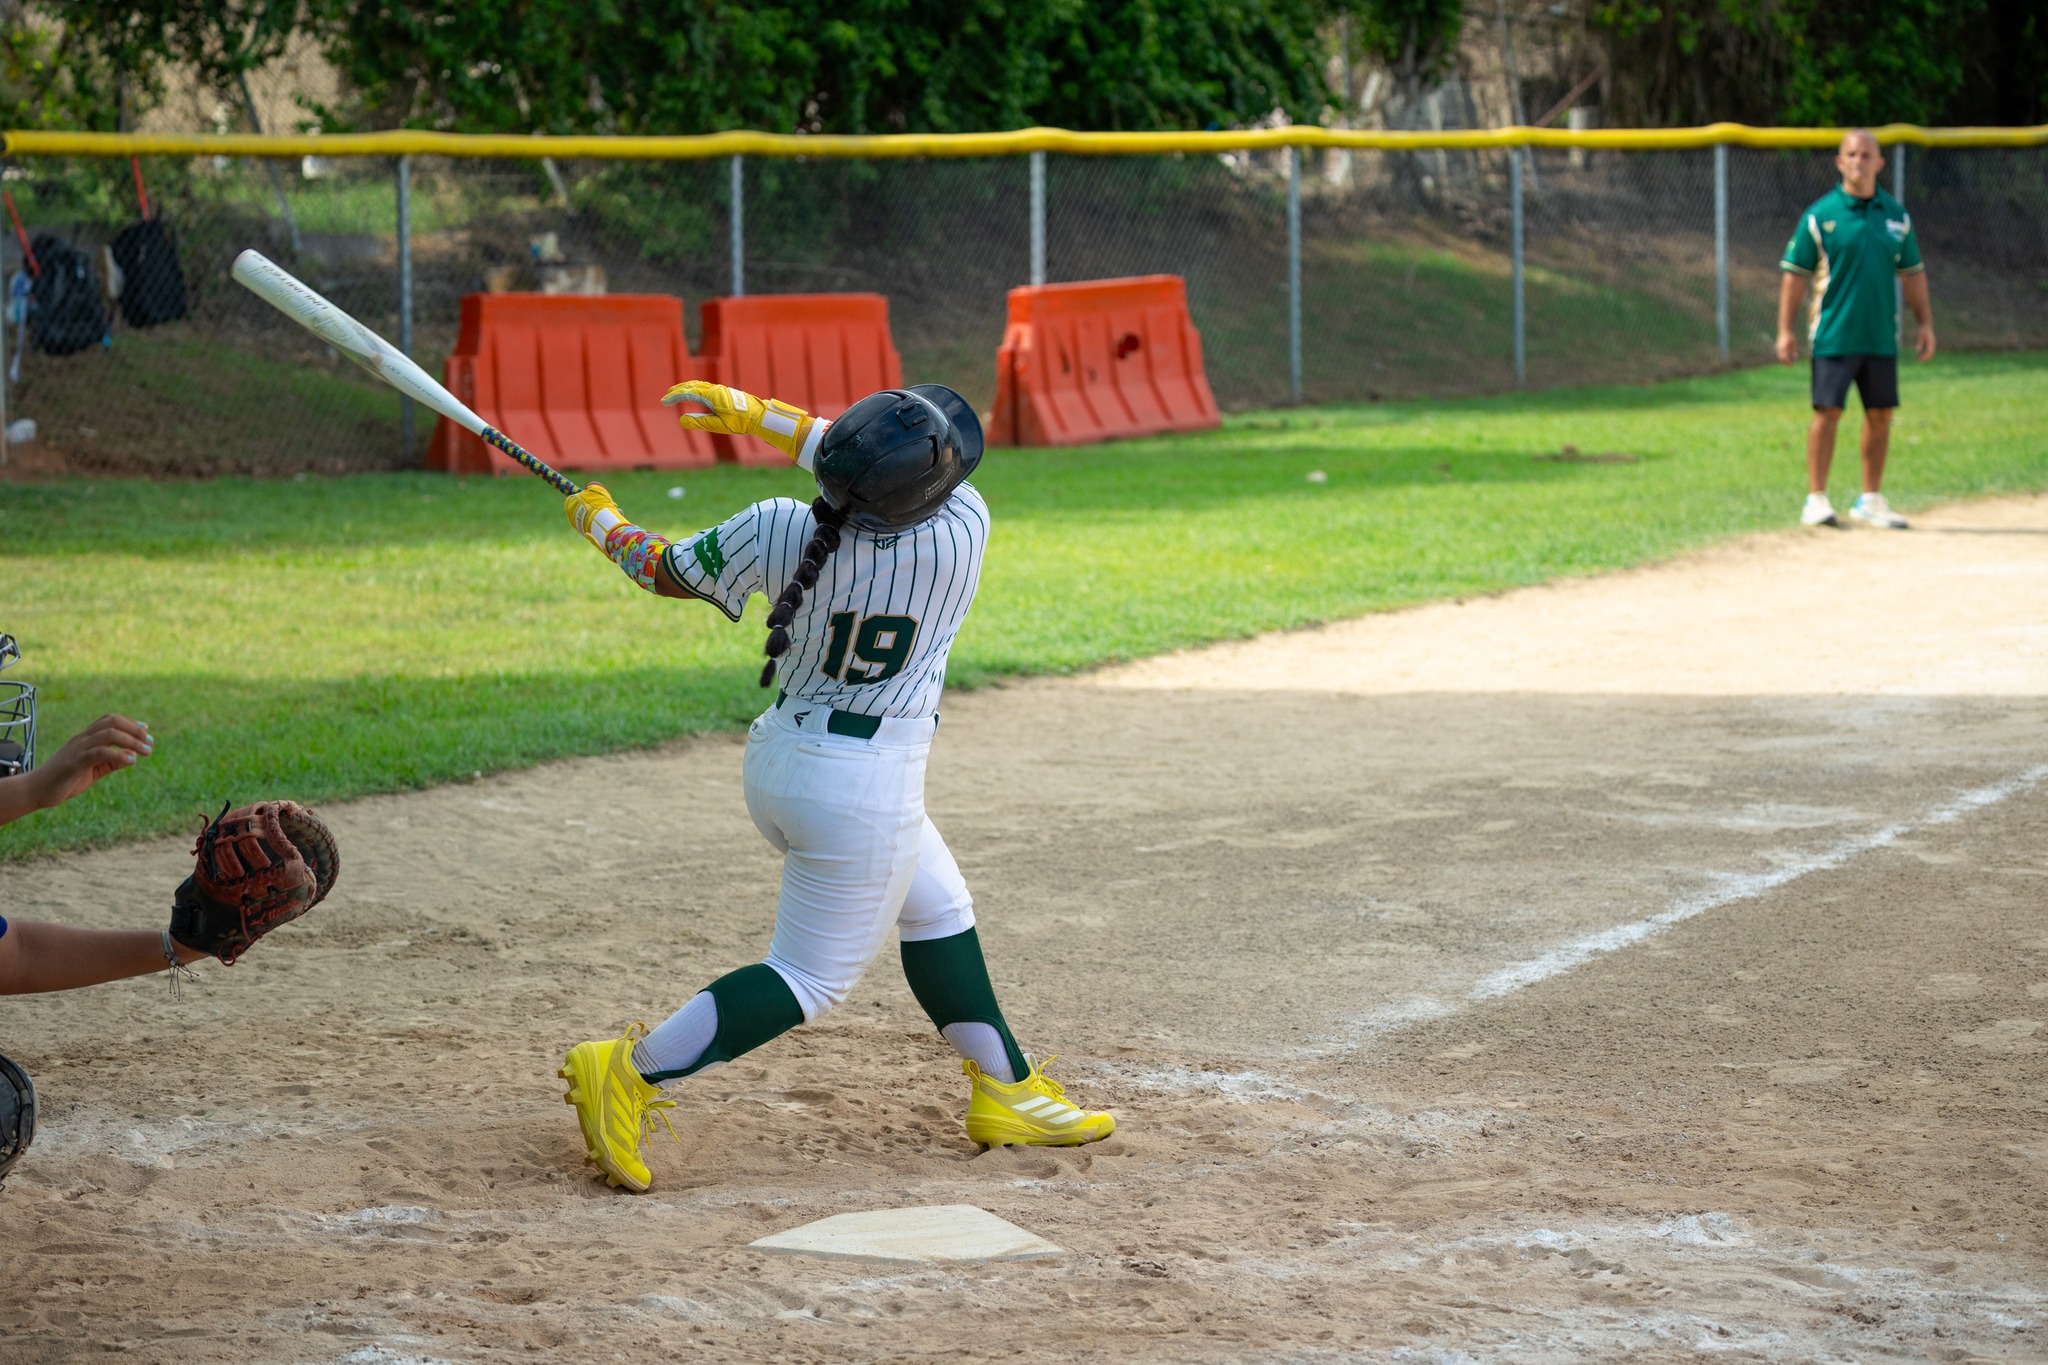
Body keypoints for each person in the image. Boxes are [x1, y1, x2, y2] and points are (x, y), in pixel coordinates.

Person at [554, 379, 1116, 1193]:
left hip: (784, 763)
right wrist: (766, 417)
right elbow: (870, 469)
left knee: (938, 907)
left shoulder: (774, 526)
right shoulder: (964, 527)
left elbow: (664, 569)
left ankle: (1009, 1089)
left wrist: (601, 522)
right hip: (863, 790)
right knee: (809, 977)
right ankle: (628, 1071)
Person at [1776, 128, 1936, 529]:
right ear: (1839, 162)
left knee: (1881, 415)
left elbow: (1912, 273)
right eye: (1851, 154)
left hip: (1879, 335)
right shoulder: (1820, 215)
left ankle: (1870, 499)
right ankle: (1816, 499)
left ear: (1880, 163)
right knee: (1827, 412)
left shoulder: (1896, 217)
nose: (1858, 162)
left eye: (1866, 155)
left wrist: (1925, 324)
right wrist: (1785, 330)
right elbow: (1795, 275)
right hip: (1834, 333)